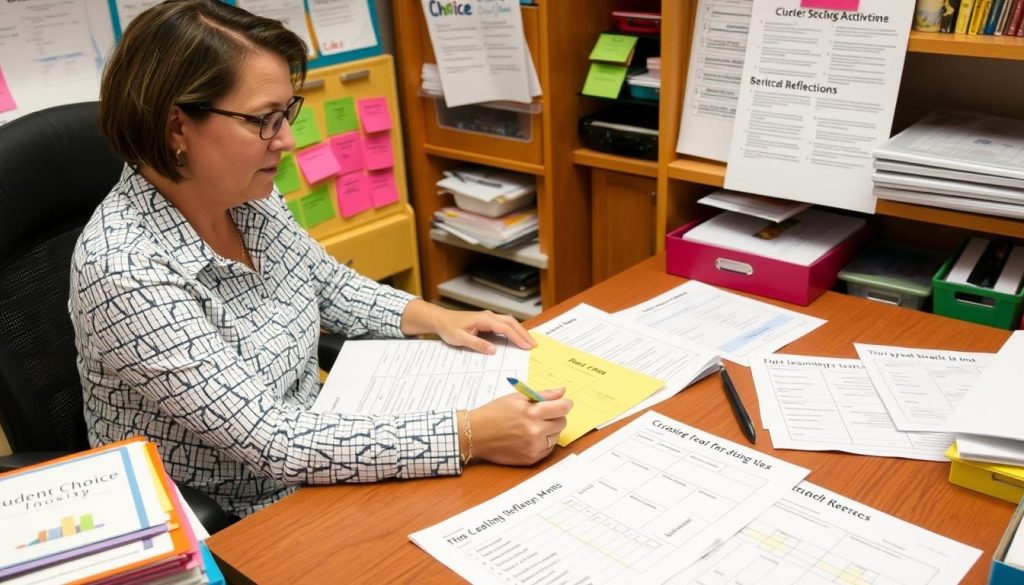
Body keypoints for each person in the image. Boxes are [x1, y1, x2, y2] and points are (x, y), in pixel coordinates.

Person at [69, 0, 572, 518]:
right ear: (178, 129)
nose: (286, 139)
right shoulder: (124, 267)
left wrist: (436, 317)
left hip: (320, 458)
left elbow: (326, 283)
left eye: (287, 113)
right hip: (233, 518)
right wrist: (471, 433)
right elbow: (273, 440)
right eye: (264, 120)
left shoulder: (245, 196)